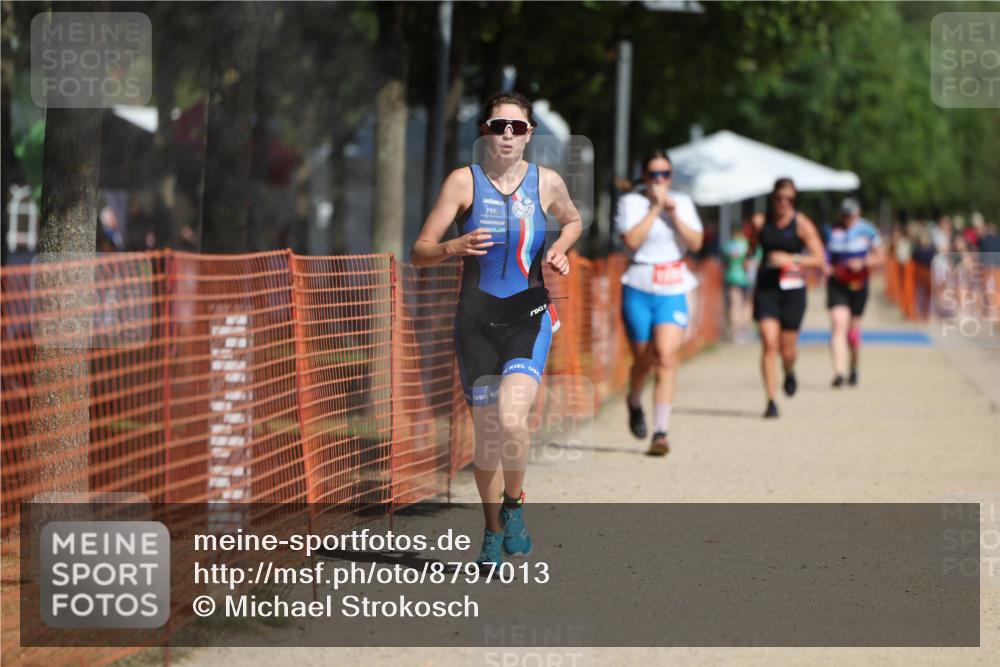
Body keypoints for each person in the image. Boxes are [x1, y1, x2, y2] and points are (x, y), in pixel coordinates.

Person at [410, 91, 583, 569]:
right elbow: (418, 251)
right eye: (498, 125)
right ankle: (491, 530)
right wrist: (454, 245)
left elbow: (573, 219)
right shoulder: (462, 184)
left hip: (528, 317)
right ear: (484, 131)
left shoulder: (545, 183)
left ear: (530, 134)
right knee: (487, 437)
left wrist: (562, 248)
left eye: (518, 127)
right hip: (476, 322)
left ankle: (515, 506)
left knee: (511, 420)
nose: (508, 134)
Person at [616, 150, 704, 455]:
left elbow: (696, 243)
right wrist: (654, 209)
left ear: (671, 175)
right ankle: (634, 400)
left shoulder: (684, 203)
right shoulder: (631, 203)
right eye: (653, 174)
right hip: (639, 285)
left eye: (664, 174)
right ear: (644, 177)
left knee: (665, 356)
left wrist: (674, 212)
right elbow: (631, 241)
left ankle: (661, 432)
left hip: (673, 287)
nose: (659, 180)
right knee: (644, 359)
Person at [749, 178, 827, 418]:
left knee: (787, 348)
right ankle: (771, 400)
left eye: (789, 199)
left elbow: (820, 259)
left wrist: (791, 259)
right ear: (772, 199)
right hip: (766, 289)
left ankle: (790, 370)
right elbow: (751, 247)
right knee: (769, 343)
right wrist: (748, 257)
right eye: (779, 198)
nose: (784, 203)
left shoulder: (802, 224)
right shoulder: (760, 222)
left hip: (793, 291)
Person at [824, 198, 885, 387]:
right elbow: (822, 255)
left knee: (852, 331)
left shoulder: (868, 230)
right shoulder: (830, 230)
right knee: (837, 324)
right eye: (845, 215)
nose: (848, 219)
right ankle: (839, 373)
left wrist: (863, 263)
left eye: (851, 216)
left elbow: (880, 256)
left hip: (859, 284)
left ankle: (854, 365)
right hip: (837, 283)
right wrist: (826, 268)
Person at [723, 219, 758, 342]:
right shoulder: (749, 245)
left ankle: (736, 331)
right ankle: (744, 328)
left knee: (734, 304)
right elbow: (756, 259)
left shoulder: (728, 245)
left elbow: (725, 261)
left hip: (732, 276)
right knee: (747, 304)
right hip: (747, 278)